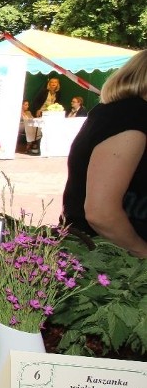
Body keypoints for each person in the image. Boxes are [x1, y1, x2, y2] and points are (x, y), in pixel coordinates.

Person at [62, 49, 147, 258]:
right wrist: (142, 251)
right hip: (109, 261)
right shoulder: (132, 116)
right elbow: (101, 213)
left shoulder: (114, 113)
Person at [27, 76, 63, 155]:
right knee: (40, 129)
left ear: (58, 84)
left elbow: (57, 103)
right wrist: (37, 110)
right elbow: (36, 102)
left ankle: (47, 147)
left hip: (50, 114)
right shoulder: (44, 91)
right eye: (52, 82)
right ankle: (36, 146)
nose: (53, 84)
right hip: (41, 112)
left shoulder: (58, 93)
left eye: (55, 82)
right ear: (49, 84)